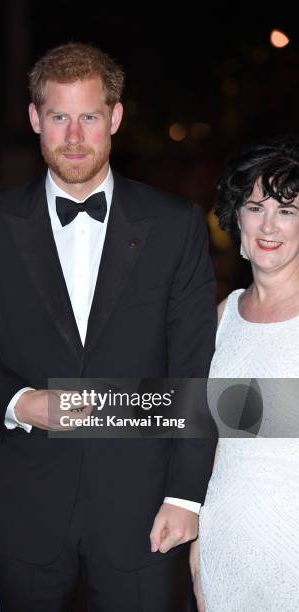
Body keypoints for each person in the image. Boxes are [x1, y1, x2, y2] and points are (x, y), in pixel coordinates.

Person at [0, 42, 217, 612]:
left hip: (144, 510)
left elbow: (192, 369)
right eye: (58, 117)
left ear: (114, 118)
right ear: (34, 119)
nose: (73, 136)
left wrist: (185, 496)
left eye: (89, 116)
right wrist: (20, 402)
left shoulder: (174, 226)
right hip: (25, 506)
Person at [190, 135, 299, 611]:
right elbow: (204, 433)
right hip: (226, 537)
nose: (269, 224)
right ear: (237, 218)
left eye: (288, 211)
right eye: (256, 207)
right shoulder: (221, 317)